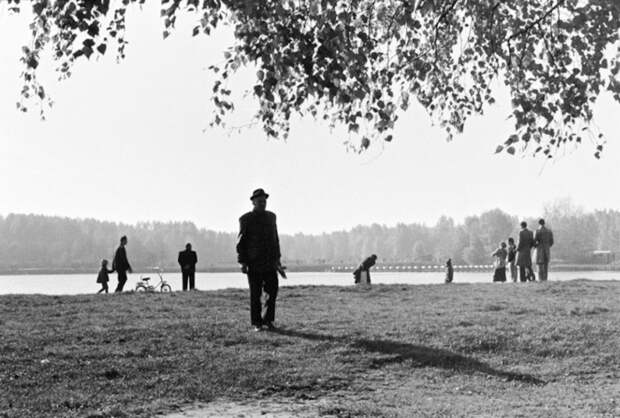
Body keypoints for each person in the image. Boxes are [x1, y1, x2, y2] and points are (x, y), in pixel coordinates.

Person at [236, 188, 282, 332]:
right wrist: (242, 262)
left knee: (272, 291)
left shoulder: (271, 217)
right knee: (255, 294)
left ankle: (268, 320)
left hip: (270, 262)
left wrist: (278, 259)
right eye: (260, 201)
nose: (263, 203)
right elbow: (241, 242)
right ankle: (257, 323)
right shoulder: (246, 219)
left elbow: (275, 239)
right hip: (253, 262)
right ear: (253, 202)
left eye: (264, 201)